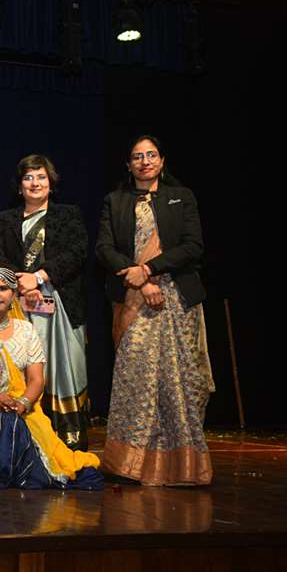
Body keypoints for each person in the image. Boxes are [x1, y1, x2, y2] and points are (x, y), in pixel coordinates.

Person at [97, 135, 213, 486]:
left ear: (162, 161)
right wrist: (140, 279)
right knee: (135, 377)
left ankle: (184, 468)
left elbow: (193, 247)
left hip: (177, 297)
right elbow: (104, 249)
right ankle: (128, 465)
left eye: (151, 155)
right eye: (137, 156)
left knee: (181, 380)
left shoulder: (182, 197)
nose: (145, 161)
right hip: (133, 296)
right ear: (128, 164)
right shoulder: (115, 201)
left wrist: (149, 269)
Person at [0, 266, 103, 490]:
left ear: (13, 294)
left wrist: (22, 403)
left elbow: (37, 380)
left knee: (12, 422)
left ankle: (5, 473)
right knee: (0, 422)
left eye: (3, 288)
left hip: (21, 409)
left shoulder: (26, 330)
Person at [0, 154, 91, 450]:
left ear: (51, 182)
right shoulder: (5, 219)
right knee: (20, 367)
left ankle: (66, 440)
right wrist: (21, 282)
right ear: (19, 186)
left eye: (41, 177)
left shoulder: (68, 214)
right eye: (28, 177)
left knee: (64, 368)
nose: (35, 183)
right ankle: (24, 439)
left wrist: (40, 277)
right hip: (17, 304)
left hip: (61, 306)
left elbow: (77, 251)